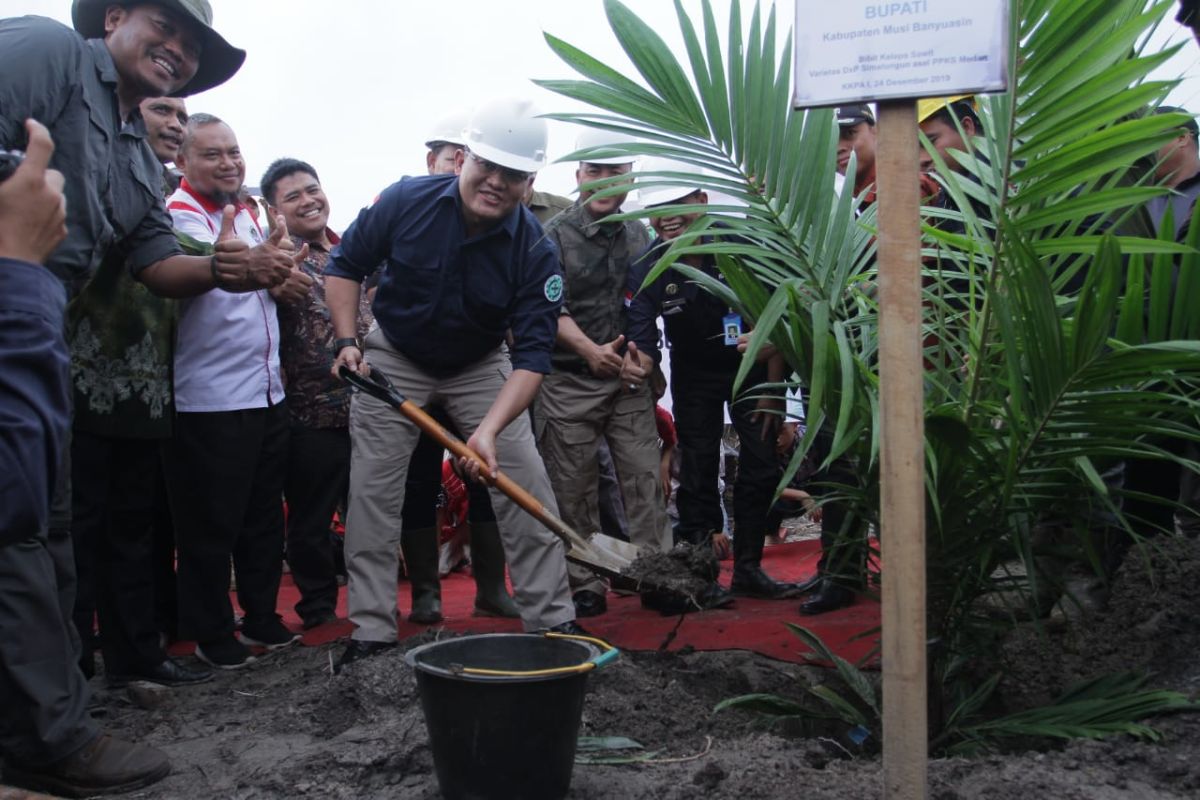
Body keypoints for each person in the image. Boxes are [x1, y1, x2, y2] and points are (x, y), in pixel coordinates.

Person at [326, 97, 583, 672]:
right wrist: (346, 341)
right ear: (464, 157)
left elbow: (535, 355)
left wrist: (489, 433)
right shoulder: (404, 200)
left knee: (525, 478)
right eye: (485, 165)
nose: (494, 182)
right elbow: (345, 264)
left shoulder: (535, 251)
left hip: (481, 364)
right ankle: (370, 629)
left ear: (530, 181)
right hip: (394, 356)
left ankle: (553, 619)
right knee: (372, 492)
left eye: (512, 174)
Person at [0, 118, 172, 798]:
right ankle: (46, 739)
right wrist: (17, 266)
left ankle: (52, 714)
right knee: (19, 523)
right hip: (44, 347)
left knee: (51, 535)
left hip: (53, 368)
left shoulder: (131, 176)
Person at [67, 91, 211, 689]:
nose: (175, 124)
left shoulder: (159, 194)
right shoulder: (92, 171)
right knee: (73, 534)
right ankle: (70, 671)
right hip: (78, 384)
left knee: (133, 531)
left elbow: (197, 260)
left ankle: (135, 660)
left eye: (182, 116)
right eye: (162, 112)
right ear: (127, 118)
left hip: (147, 394)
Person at [164, 114, 310, 669]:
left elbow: (269, 276)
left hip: (266, 392)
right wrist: (267, 270)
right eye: (212, 154)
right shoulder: (176, 217)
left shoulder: (250, 214)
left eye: (234, 152)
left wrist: (281, 273)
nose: (228, 163)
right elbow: (225, 274)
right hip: (209, 399)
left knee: (262, 517)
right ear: (182, 162)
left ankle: (263, 616)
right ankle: (210, 632)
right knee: (210, 524)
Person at [622, 157, 798, 600]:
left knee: (759, 464)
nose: (668, 218)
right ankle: (700, 576)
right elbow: (643, 341)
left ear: (701, 200)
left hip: (753, 368)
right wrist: (637, 365)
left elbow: (778, 320)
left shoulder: (743, 243)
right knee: (697, 467)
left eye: (678, 203)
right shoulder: (648, 265)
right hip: (693, 371)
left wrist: (775, 395)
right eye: (657, 210)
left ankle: (749, 569)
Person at [537, 127, 669, 618]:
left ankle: (658, 574)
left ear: (630, 178)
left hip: (627, 382)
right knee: (574, 487)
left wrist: (645, 359)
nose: (605, 182)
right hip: (568, 377)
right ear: (579, 176)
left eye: (616, 172)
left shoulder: (642, 234)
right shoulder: (553, 237)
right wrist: (590, 351)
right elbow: (547, 307)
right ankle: (585, 580)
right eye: (595, 172)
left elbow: (651, 304)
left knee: (643, 481)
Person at [398, 118, 520, 625]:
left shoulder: (502, 221)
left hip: (476, 371)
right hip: (414, 370)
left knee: (486, 477)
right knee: (418, 480)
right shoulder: (407, 211)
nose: (462, 164)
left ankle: (492, 587)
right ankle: (425, 591)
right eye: (454, 155)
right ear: (436, 162)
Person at [261, 157, 372, 631]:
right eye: (293, 196)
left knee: (369, 513)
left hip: (368, 406)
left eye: (313, 189)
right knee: (311, 516)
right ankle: (318, 607)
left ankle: (371, 602)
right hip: (309, 412)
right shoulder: (272, 258)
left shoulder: (353, 250)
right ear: (273, 210)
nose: (309, 200)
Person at [836, 104, 877, 200]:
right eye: (832, 139)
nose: (838, 148)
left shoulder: (904, 186)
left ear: (876, 131)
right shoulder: (836, 200)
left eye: (850, 133)